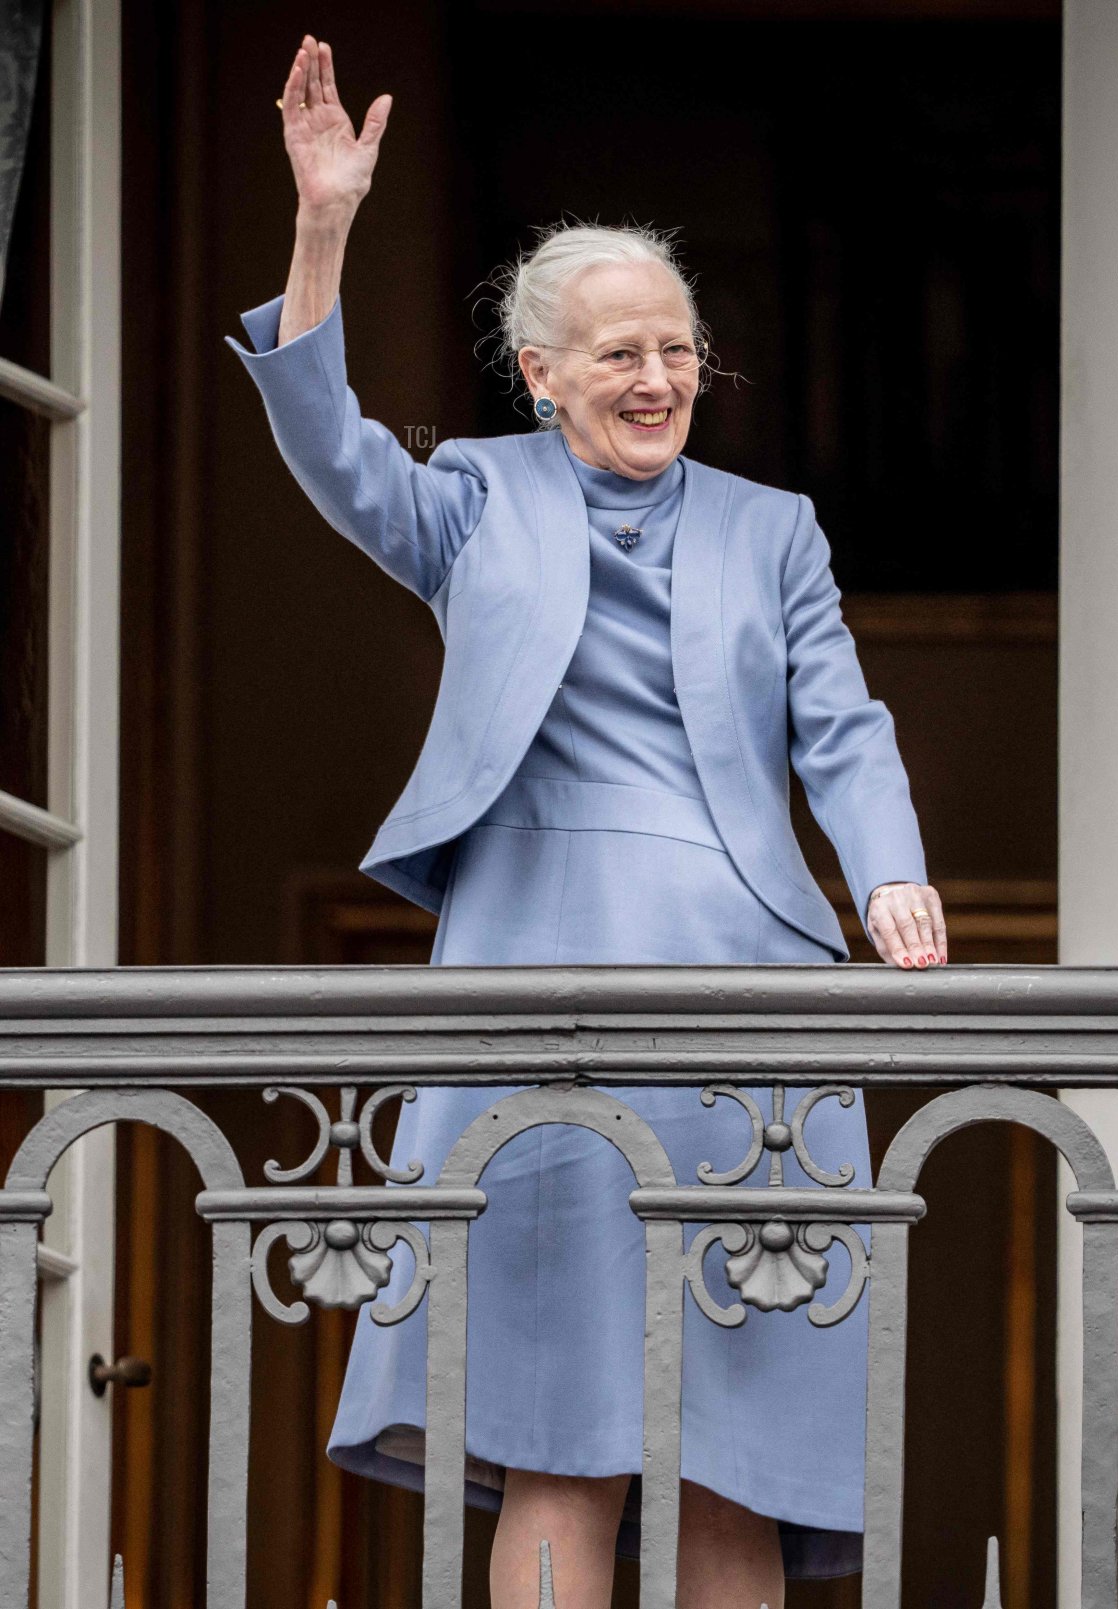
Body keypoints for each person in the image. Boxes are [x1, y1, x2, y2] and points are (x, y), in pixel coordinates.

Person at [226, 35, 949, 1609]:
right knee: (565, 1435)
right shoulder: (475, 498)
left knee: (732, 1446)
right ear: (540, 372)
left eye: (679, 348)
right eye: (619, 351)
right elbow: (331, 449)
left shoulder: (776, 529)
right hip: (540, 1001)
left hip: (752, 1013)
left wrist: (887, 871)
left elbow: (843, 727)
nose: (658, 377)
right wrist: (324, 224)